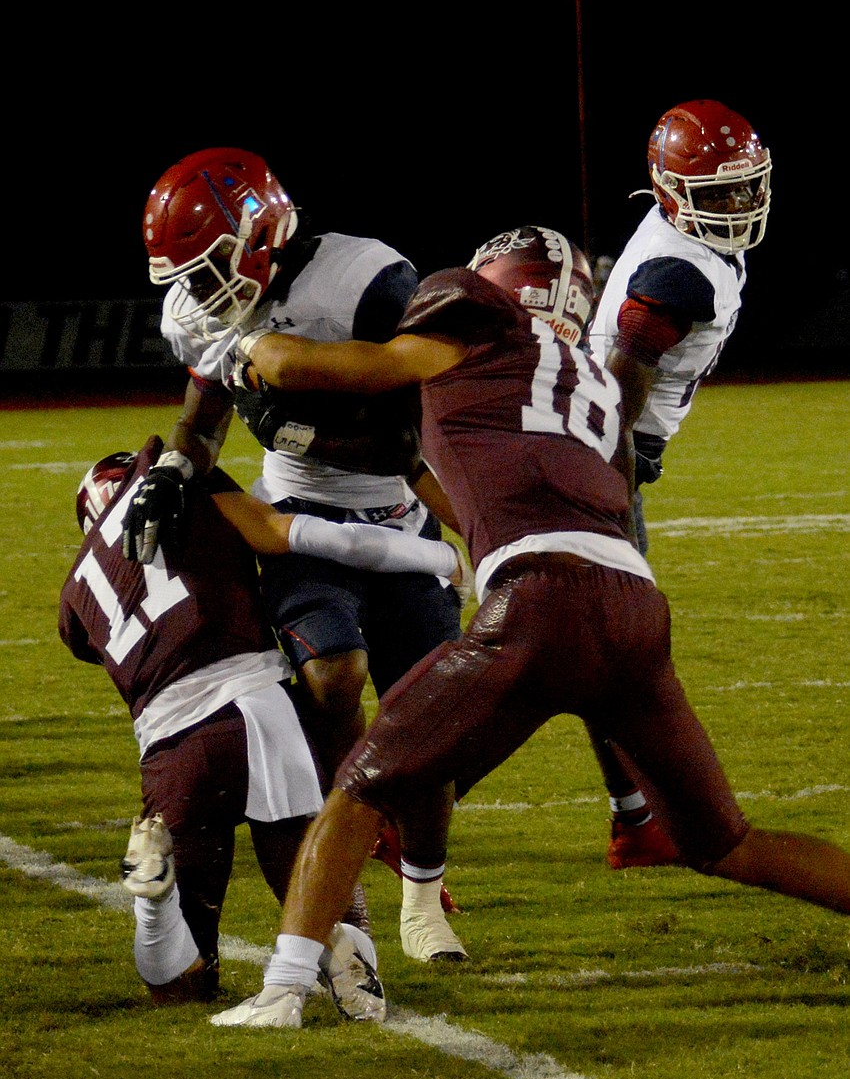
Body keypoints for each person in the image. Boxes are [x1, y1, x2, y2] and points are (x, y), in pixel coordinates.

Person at [199, 224, 850, 1030]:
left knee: (363, 780)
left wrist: (251, 349)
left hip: (542, 600)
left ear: (487, 287)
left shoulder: (471, 324)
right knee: (725, 841)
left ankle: (285, 988)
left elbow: (327, 366)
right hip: (634, 604)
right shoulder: (601, 385)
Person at [126, 146, 465, 956]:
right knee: (332, 673)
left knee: (429, 715)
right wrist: (178, 467)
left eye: (209, 269)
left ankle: (424, 892)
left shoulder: (365, 281)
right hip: (300, 516)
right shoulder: (206, 313)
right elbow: (203, 414)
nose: (199, 295)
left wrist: (301, 419)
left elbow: (416, 431)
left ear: (259, 233)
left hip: (395, 510)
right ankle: (361, 825)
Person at [58, 435, 471, 1012]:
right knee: (313, 877)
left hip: (170, 741)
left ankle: (155, 909)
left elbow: (88, 640)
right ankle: (344, 959)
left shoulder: (75, 590)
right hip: (262, 707)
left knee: (181, 986)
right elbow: (280, 534)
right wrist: (442, 558)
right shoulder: (187, 482)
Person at [583, 98, 772, 870]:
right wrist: (611, 509)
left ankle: (636, 820)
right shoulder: (677, 275)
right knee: (589, 652)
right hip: (598, 461)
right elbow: (615, 409)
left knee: (597, 655)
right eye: (719, 193)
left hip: (599, 456)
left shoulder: (692, 245)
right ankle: (395, 804)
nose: (738, 205)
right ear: (670, 191)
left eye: (745, 187)